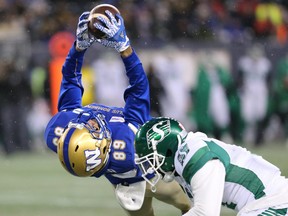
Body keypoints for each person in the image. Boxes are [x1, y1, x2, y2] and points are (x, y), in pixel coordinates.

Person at [44, 9, 190, 216]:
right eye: (92, 130)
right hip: (151, 171)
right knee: (188, 204)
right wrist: (125, 48)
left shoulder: (58, 132)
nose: (89, 123)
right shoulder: (125, 142)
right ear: (103, 147)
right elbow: (139, 88)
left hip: (120, 180)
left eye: (82, 128)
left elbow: (70, 80)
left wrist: (78, 48)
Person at [134, 117, 288, 216]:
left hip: (275, 203)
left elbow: (205, 213)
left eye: (151, 159)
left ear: (166, 149)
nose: (151, 166)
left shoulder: (193, 156)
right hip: (270, 203)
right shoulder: (183, 160)